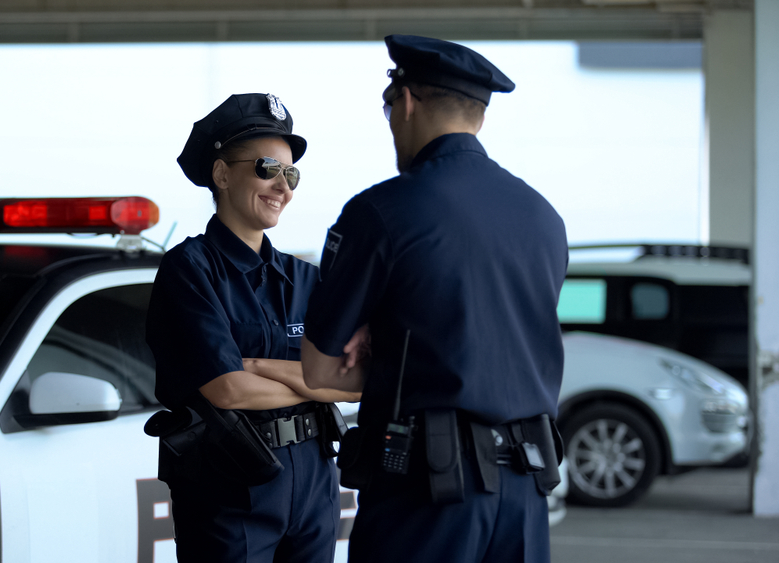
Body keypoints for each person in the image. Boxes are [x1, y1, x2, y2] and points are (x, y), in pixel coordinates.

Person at [301, 35, 568, 563]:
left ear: (404, 101)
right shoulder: (543, 217)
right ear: (480, 118)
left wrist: (381, 338)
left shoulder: (381, 212)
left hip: (427, 491)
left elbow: (319, 371)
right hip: (525, 491)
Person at [145, 93, 360, 563]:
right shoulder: (190, 269)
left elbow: (357, 383)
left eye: (292, 174)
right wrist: (315, 384)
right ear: (222, 174)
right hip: (230, 486)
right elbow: (227, 391)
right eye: (267, 168)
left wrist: (260, 366)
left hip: (314, 482)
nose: (282, 186)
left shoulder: (305, 278)